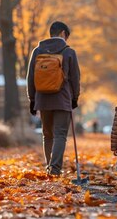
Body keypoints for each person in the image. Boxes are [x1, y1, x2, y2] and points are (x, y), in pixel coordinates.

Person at [27, 21, 80, 176]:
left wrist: (32, 99)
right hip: (62, 99)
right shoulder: (69, 52)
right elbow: (75, 78)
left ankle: (49, 168)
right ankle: (54, 170)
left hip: (43, 99)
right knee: (60, 135)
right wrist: (75, 98)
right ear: (63, 33)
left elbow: (31, 77)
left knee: (47, 135)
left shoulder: (37, 51)